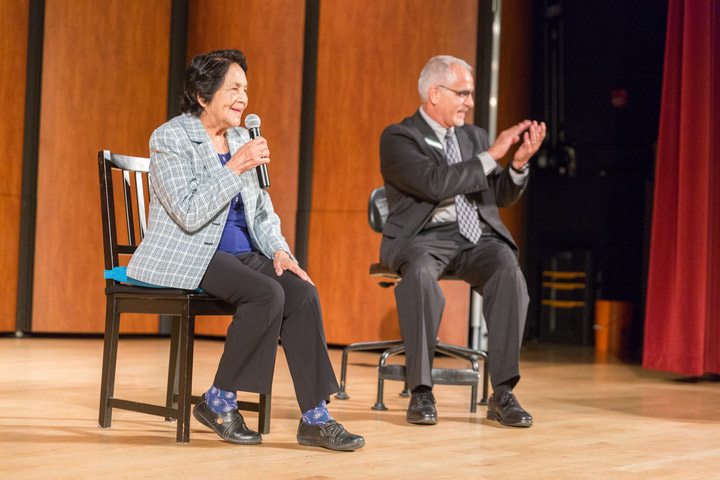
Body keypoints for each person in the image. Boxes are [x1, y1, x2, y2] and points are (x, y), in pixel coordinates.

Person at [126, 49, 364, 450]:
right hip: (189, 252)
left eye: (246, 89)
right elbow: (188, 213)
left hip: (242, 252)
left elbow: (262, 211)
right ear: (203, 95)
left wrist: (281, 252)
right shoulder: (170, 137)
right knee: (265, 293)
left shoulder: (241, 137)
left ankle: (315, 417)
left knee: (301, 291)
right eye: (233, 88)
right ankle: (220, 400)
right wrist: (234, 167)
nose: (243, 98)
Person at [379, 55, 546, 428]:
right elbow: (435, 183)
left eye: (469, 94)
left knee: (507, 269)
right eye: (463, 93)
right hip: (424, 239)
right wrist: (491, 155)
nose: (469, 102)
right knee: (420, 276)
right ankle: (421, 391)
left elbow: (496, 196)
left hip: (475, 239)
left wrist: (517, 165)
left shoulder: (474, 136)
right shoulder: (399, 137)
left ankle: (502, 392)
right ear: (435, 94)